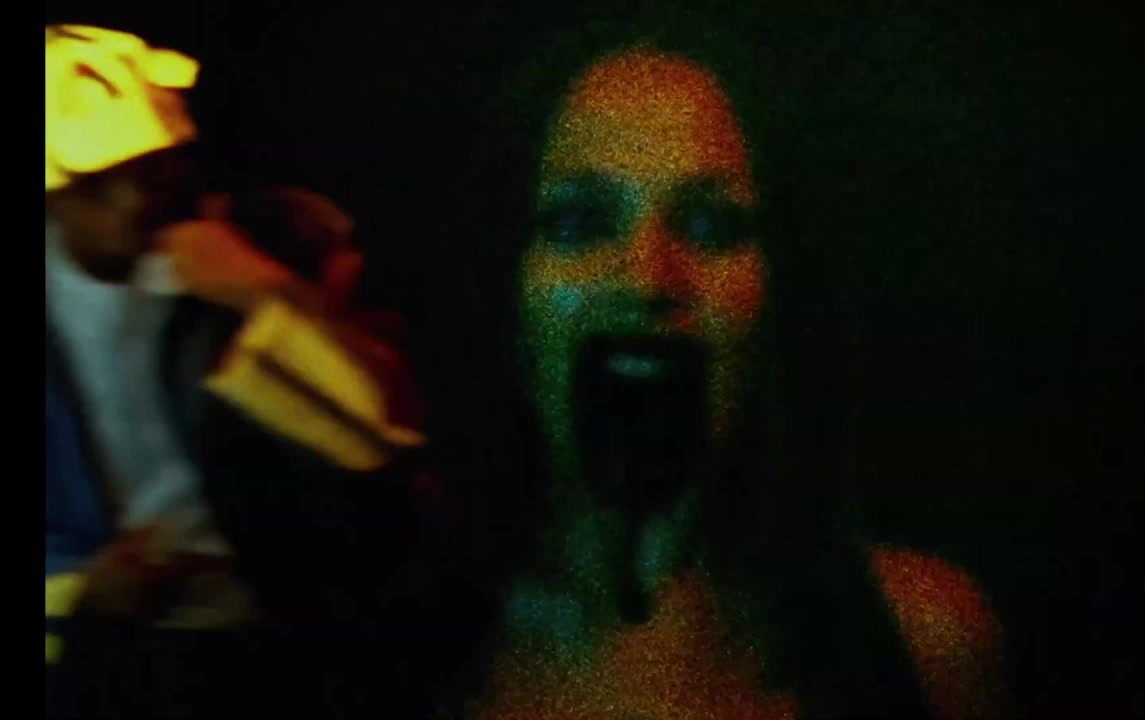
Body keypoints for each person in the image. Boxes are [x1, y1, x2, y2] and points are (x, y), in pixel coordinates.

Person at [434, 14, 1014, 719]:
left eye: (710, 226)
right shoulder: (393, 646)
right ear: (506, 286)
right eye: (581, 222)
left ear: (777, 294)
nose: (647, 278)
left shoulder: (924, 642)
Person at [44, 24, 445, 717]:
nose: (134, 200)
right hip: (100, 655)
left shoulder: (254, 246)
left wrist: (266, 293)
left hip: (275, 636)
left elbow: (386, 443)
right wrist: (83, 594)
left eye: (149, 169)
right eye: (97, 185)